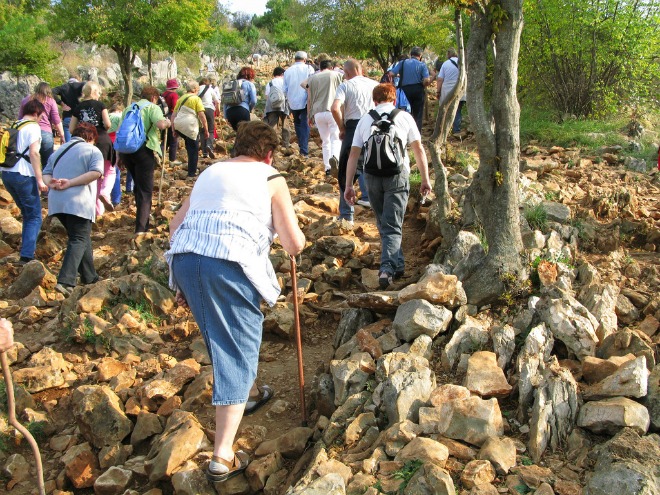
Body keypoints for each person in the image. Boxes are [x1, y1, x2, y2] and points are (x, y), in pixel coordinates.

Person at [165, 121, 305, 483]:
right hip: (227, 263)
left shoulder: (211, 172)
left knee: (223, 334)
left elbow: (175, 226)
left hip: (185, 257)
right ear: (269, 153)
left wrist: (187, 277)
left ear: (236, 147)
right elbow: (293, 243)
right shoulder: (271, 177)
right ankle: (222, 456)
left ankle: (252, 391)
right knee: (237, 346)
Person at [344, 84, 432, 289]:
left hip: (371, 177)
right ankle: (387, 269)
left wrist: (349, 185)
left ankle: (397, 264)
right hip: (397, 175)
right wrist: (425, 179)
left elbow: (354, 155)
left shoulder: (365, 120)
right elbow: (418, 149)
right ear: (394, 99)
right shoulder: (404, 117)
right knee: (393, 224)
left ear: (374, 101)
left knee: (384, 222)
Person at [43, 122, 104, 296]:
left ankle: (90, 276)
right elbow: (96, 172)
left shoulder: (59, 150)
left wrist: (52, 183)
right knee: (78, 239)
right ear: (91, 137)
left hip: (57, 202)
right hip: (78, 202)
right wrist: (71, 182)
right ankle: (66, 281)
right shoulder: (92, 150)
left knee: (81, 237)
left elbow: (46, 173)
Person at [118, 86, 171, 234]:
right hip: (144, 149)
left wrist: (118, 155)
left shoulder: (129, 108)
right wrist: (167, 123)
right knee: (145, 191)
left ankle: (141, 218)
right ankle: (141, 228)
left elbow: (120, 130)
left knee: (138, 186)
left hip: (127, 151)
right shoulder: (152, 108)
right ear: (154, 97)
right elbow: (160, 124)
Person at [331, 59, 379, 222]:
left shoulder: (346, 85)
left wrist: (342, 128)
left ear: (347, 72)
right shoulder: (375, 85)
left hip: (353, 128)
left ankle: (346, 214)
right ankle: (371, 202)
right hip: (373, 127)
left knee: (346, 170)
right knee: (371, 165)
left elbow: (335, 108)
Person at [2, 99, 47, 264]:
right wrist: (40, 179)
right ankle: (27, 255)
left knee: (27, 213)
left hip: (7, 173)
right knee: (34, 216)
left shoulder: (14, 125)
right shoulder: (33, 127)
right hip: (23, 174)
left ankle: (26, 250)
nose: (41, 119)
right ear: (36, 113)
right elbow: (34, 153)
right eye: (41, 116)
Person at [69, 81, 114, 215]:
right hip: (101, 140)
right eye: (98, 92)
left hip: (84, 144)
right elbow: (107, 124)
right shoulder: (100, 105)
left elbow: (71, 129)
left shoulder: (78, 108)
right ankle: (105, 193)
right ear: (94, 92)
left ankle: (94, 209)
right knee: (109, 171)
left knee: (91, 176)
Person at [306, 59, 344, 176]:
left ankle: (327, 168)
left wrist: (309, 115)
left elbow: (308, 97)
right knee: (335, 138)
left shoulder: (312, 78)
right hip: (333, 110)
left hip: (317, 112)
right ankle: (335, 160)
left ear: (320, 67)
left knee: (325, 141)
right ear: (332, 67)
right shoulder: (338, 75)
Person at [18, 82, 65, 167]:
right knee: (47, 164)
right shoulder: (50, 101)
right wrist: (62, 135)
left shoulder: (26, 100)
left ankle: (33, 178)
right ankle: (43, 179)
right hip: (45, 132)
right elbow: (56, 120)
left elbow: (20, 117)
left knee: (27, 160)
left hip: (27, 131)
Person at [388, 47, 431, 131]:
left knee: (405, 113)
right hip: (418, 90)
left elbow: (391, 73)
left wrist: (399, 75)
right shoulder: (422, 65)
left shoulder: (402, 63)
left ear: (411, 54)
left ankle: (404, 132)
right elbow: (426, 80)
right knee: (417, 114)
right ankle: (416, 134)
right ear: (420, 55)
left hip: (405, 91)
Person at [171, 80, 208, 178]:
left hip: (179, 125)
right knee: (194, 149)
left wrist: (174, 129)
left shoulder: (181, 98)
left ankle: (191, 168)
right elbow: (201, 115)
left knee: (189, 145)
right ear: (195, 89)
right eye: (198, 90)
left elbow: (173, 115)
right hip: (190, 125)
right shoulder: (196, 99)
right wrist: (206, 129)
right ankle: (192, 173)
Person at [283, 51, 315, 158]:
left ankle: (302, 147)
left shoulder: (287, 71)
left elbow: (285, 89)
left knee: (297, 123)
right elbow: (312, 84)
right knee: (305, 124)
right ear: (305, 60)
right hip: (306, 100)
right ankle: (304, 150)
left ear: (294, 59)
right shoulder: (309, 69)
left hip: (293, 102)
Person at [436, 48, 466, 134]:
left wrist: (438, 92)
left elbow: (440, 79)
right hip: (460, 90)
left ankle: (443, 131)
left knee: (445, 110)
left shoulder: (445, 64)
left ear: (449, 54)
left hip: (447, 91)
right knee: (458, 110)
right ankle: (456, 130)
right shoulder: (462, 63)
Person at [263, 67, 291, 149]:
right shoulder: (284, 82)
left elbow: (267, 96)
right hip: (284, 104)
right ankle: (286, 144)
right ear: (282, 74)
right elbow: (288, 93)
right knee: (285, 125)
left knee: (272, 125)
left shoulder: (270, 83)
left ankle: (272, 144)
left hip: (272, 105)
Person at [223, 67, 257, 131]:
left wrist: (225, 116)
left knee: (238, 133)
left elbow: (225, 101)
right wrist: (249, 109)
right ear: (251, 76)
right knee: (245, 134)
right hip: (242, 111)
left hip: (230, 112)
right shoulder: (249, 84)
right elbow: (254, 100)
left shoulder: (231, 84)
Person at [52, 76, 85, 142]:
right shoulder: (81, 85)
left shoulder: (63, 87)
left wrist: (61, 103)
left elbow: (51, 92)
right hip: (80, 117)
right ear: (77, 79)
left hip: (67, 116)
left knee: (69, 142)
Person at [198, 77, 220, 159]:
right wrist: (218, 110)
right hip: (210, 109)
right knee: (210, 130)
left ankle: (204, 152)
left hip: (200, 110)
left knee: (202, 130)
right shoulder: (210, 88)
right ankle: (209, 145)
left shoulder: (197, 89)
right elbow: (217, 101)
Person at [161, 79, 180, 164]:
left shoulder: (163, 94)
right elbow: (175, 107)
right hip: (172, 116)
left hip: (163, 117)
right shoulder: (174, 95)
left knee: (165, 139)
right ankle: (172, 159)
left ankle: (159, 156)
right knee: (173, 139)